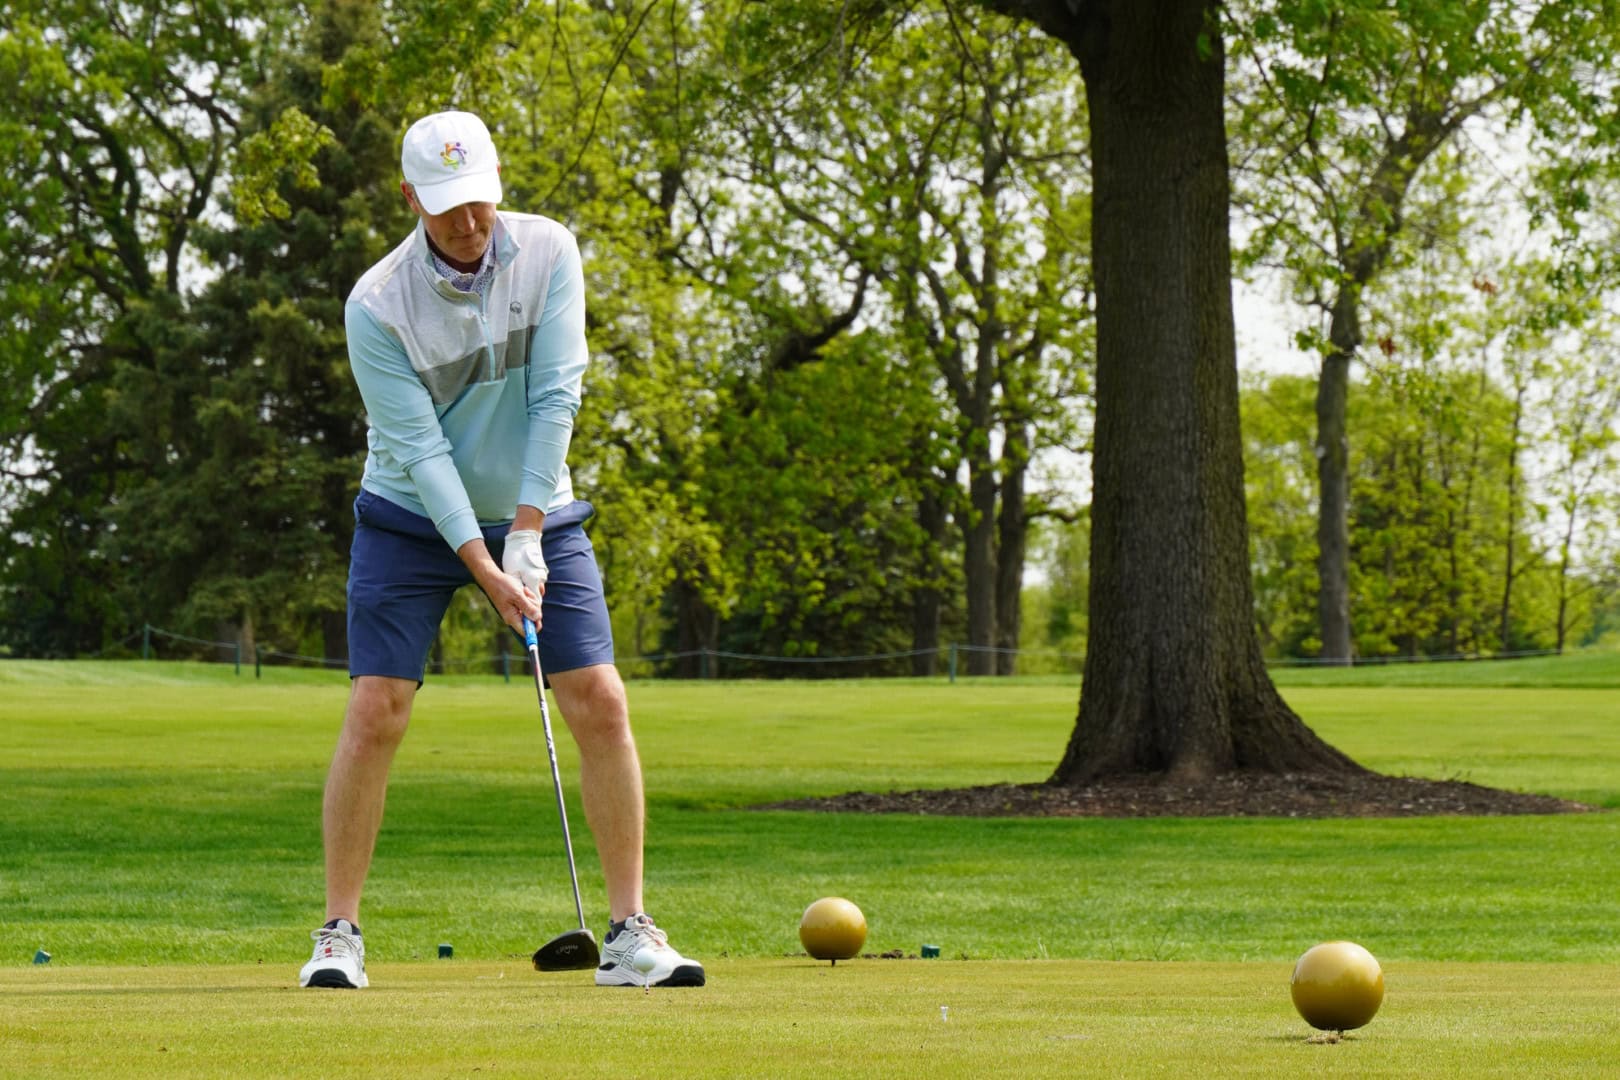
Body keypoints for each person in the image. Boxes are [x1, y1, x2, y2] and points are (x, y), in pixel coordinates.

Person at [299, 110, 703, 991]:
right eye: (446, 208)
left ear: (497, 183)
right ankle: (339, 934)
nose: (468, 224)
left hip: (537, 504)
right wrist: (486, 569)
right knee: (377, 709)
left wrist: (526, 530)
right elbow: (423, 455)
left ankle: (631, 931)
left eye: (479, 201)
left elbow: (557, 395)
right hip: (410, 513)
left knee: (599, 697)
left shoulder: (550, 251)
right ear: (410, 199)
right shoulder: (376, 305)